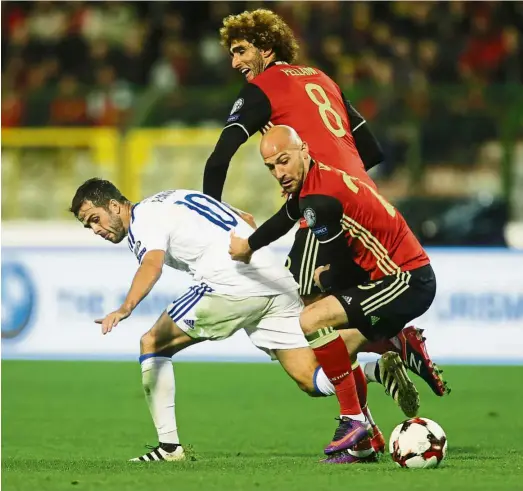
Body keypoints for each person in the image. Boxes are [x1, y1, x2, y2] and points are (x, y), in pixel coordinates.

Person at [69, 178, 415, 464]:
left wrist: (125, 307)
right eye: (87, 226)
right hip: (271, 276)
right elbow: (245, 217)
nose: (95, 229)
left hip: (229, 282)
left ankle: (169, 448)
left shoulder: (143, 220)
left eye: (94, 218)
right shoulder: (171, 197)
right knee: (312, 379)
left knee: (151, 343)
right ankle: (379, 359)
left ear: (114, 205)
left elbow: (152, 265)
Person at [203, 8, 448, 400]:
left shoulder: (263, 87)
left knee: (315, 317)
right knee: (337, 309)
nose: (235, 62)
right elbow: (371, 149)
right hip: (361, 201)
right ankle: (391, 349)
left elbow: (219, 158)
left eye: (240, 50)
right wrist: (344, 181)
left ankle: (358, 416)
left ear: (266, 47)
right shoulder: (322, 78)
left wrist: (210, 221)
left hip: (323, 206)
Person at [228, 125, 440, 462]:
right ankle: (367, 428)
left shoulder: (318, 200)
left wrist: (326, 277)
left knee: (313, 317)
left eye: (284, 161)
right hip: (395, 276)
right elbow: (286, 216)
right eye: (271, 167)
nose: (279, 173)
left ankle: (354, 419)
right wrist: (249, 246)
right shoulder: (317, 179)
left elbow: (339, 266)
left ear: (304, 150)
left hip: (405, 280)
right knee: (333, 344)